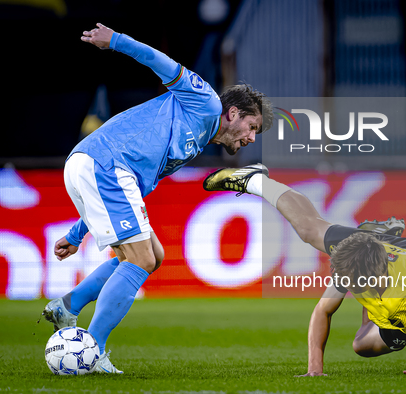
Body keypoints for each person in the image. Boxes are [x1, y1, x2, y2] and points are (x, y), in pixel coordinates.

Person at [42, 23, 273, 374]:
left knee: (153, 255)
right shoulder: (206, 102)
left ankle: (67, 306)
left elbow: (116, 197)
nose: (251, 138)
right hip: (105, 163)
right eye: (252, 127)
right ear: (233, 113)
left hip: (98, 168)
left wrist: (76, 235)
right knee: (140, 259)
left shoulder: (193, 140)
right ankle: (92, 350)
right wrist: (115, 41)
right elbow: (159, 60)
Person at [203, 165, 406, 376]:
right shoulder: (351, 257)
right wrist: (315, 370)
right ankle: (255, 180)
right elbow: (323, 310)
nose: (341, 281)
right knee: (308, 229)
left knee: (362, 346)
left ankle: (376, 237)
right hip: (376, 246)